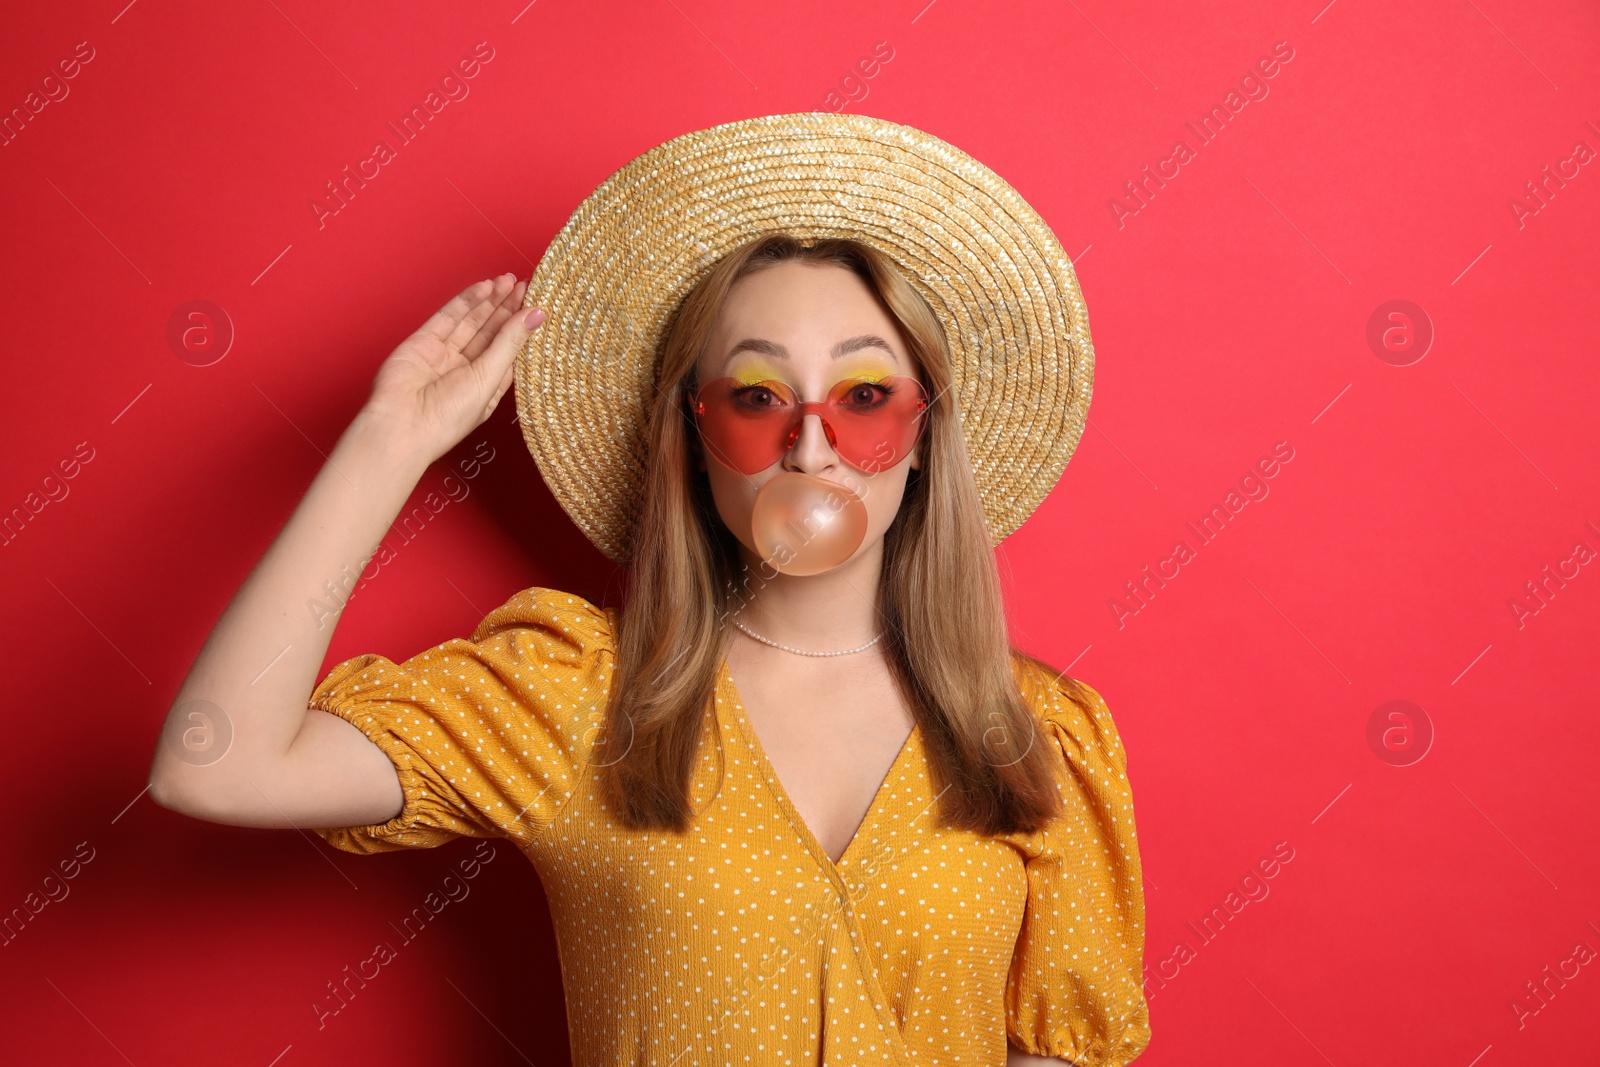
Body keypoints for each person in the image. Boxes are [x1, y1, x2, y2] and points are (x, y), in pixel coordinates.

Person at [148, 114, 1150, 1066]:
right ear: (696, 435)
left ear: (924, 433)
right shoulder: (574, 692)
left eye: (863, 395)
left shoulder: (1033, 736)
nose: (809, 443)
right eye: (756, 396)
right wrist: (389, 442)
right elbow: (217, 764)